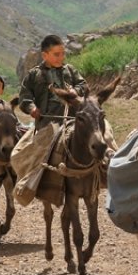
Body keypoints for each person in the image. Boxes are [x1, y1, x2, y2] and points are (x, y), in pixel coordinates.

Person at [10, 35, 88, 205]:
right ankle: (28, 186)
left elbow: (83, 85)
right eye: (56, 54)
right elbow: (25, 98)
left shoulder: (70, 70)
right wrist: (32, 109)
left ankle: (106, 170)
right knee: (22, 155)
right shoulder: (33, 75)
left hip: (73, 120)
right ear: (44, 55)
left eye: (62, 54)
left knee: (100, 136)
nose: (61, 58)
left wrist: (75, 90)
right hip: (47, 125)